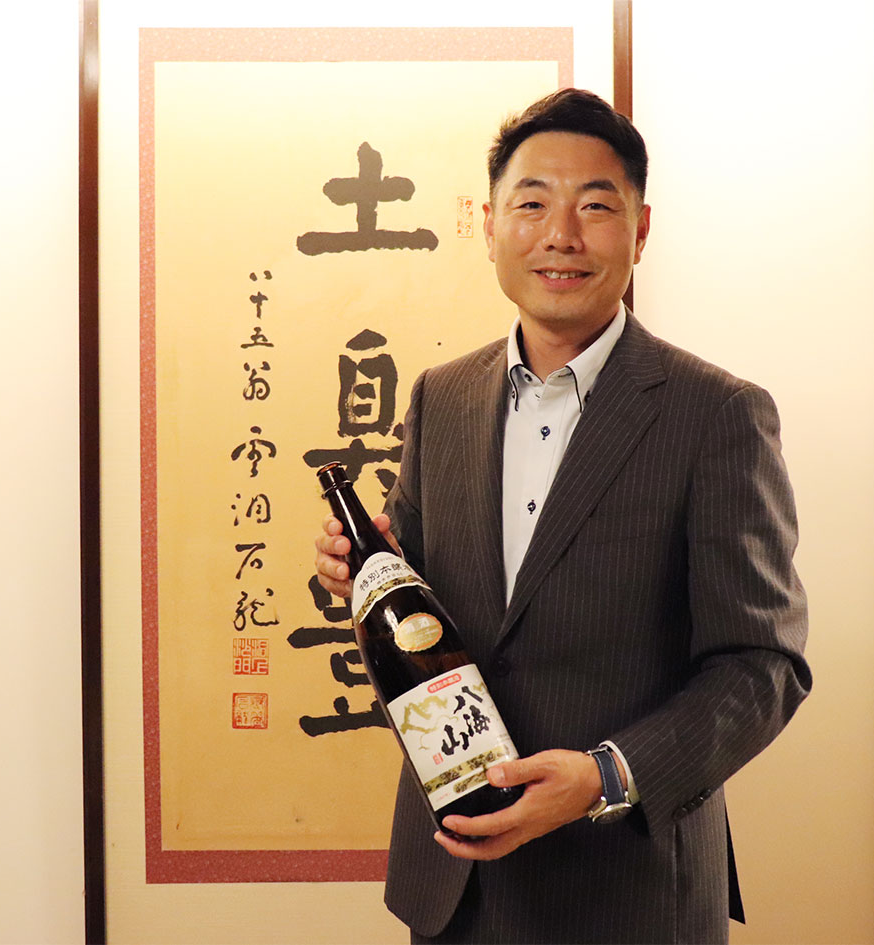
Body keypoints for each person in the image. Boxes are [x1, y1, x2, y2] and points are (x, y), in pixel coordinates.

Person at [314, 88, 810, 944]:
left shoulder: (715, 413)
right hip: (455, 884)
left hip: (629, 889)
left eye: (595, 207)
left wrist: (604, 776)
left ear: (640, 230)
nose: (561, 235)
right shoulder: (441, 397)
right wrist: (356, 574)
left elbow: (762, 665)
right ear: (488, 226)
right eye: (532, 204)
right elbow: (418, 615)